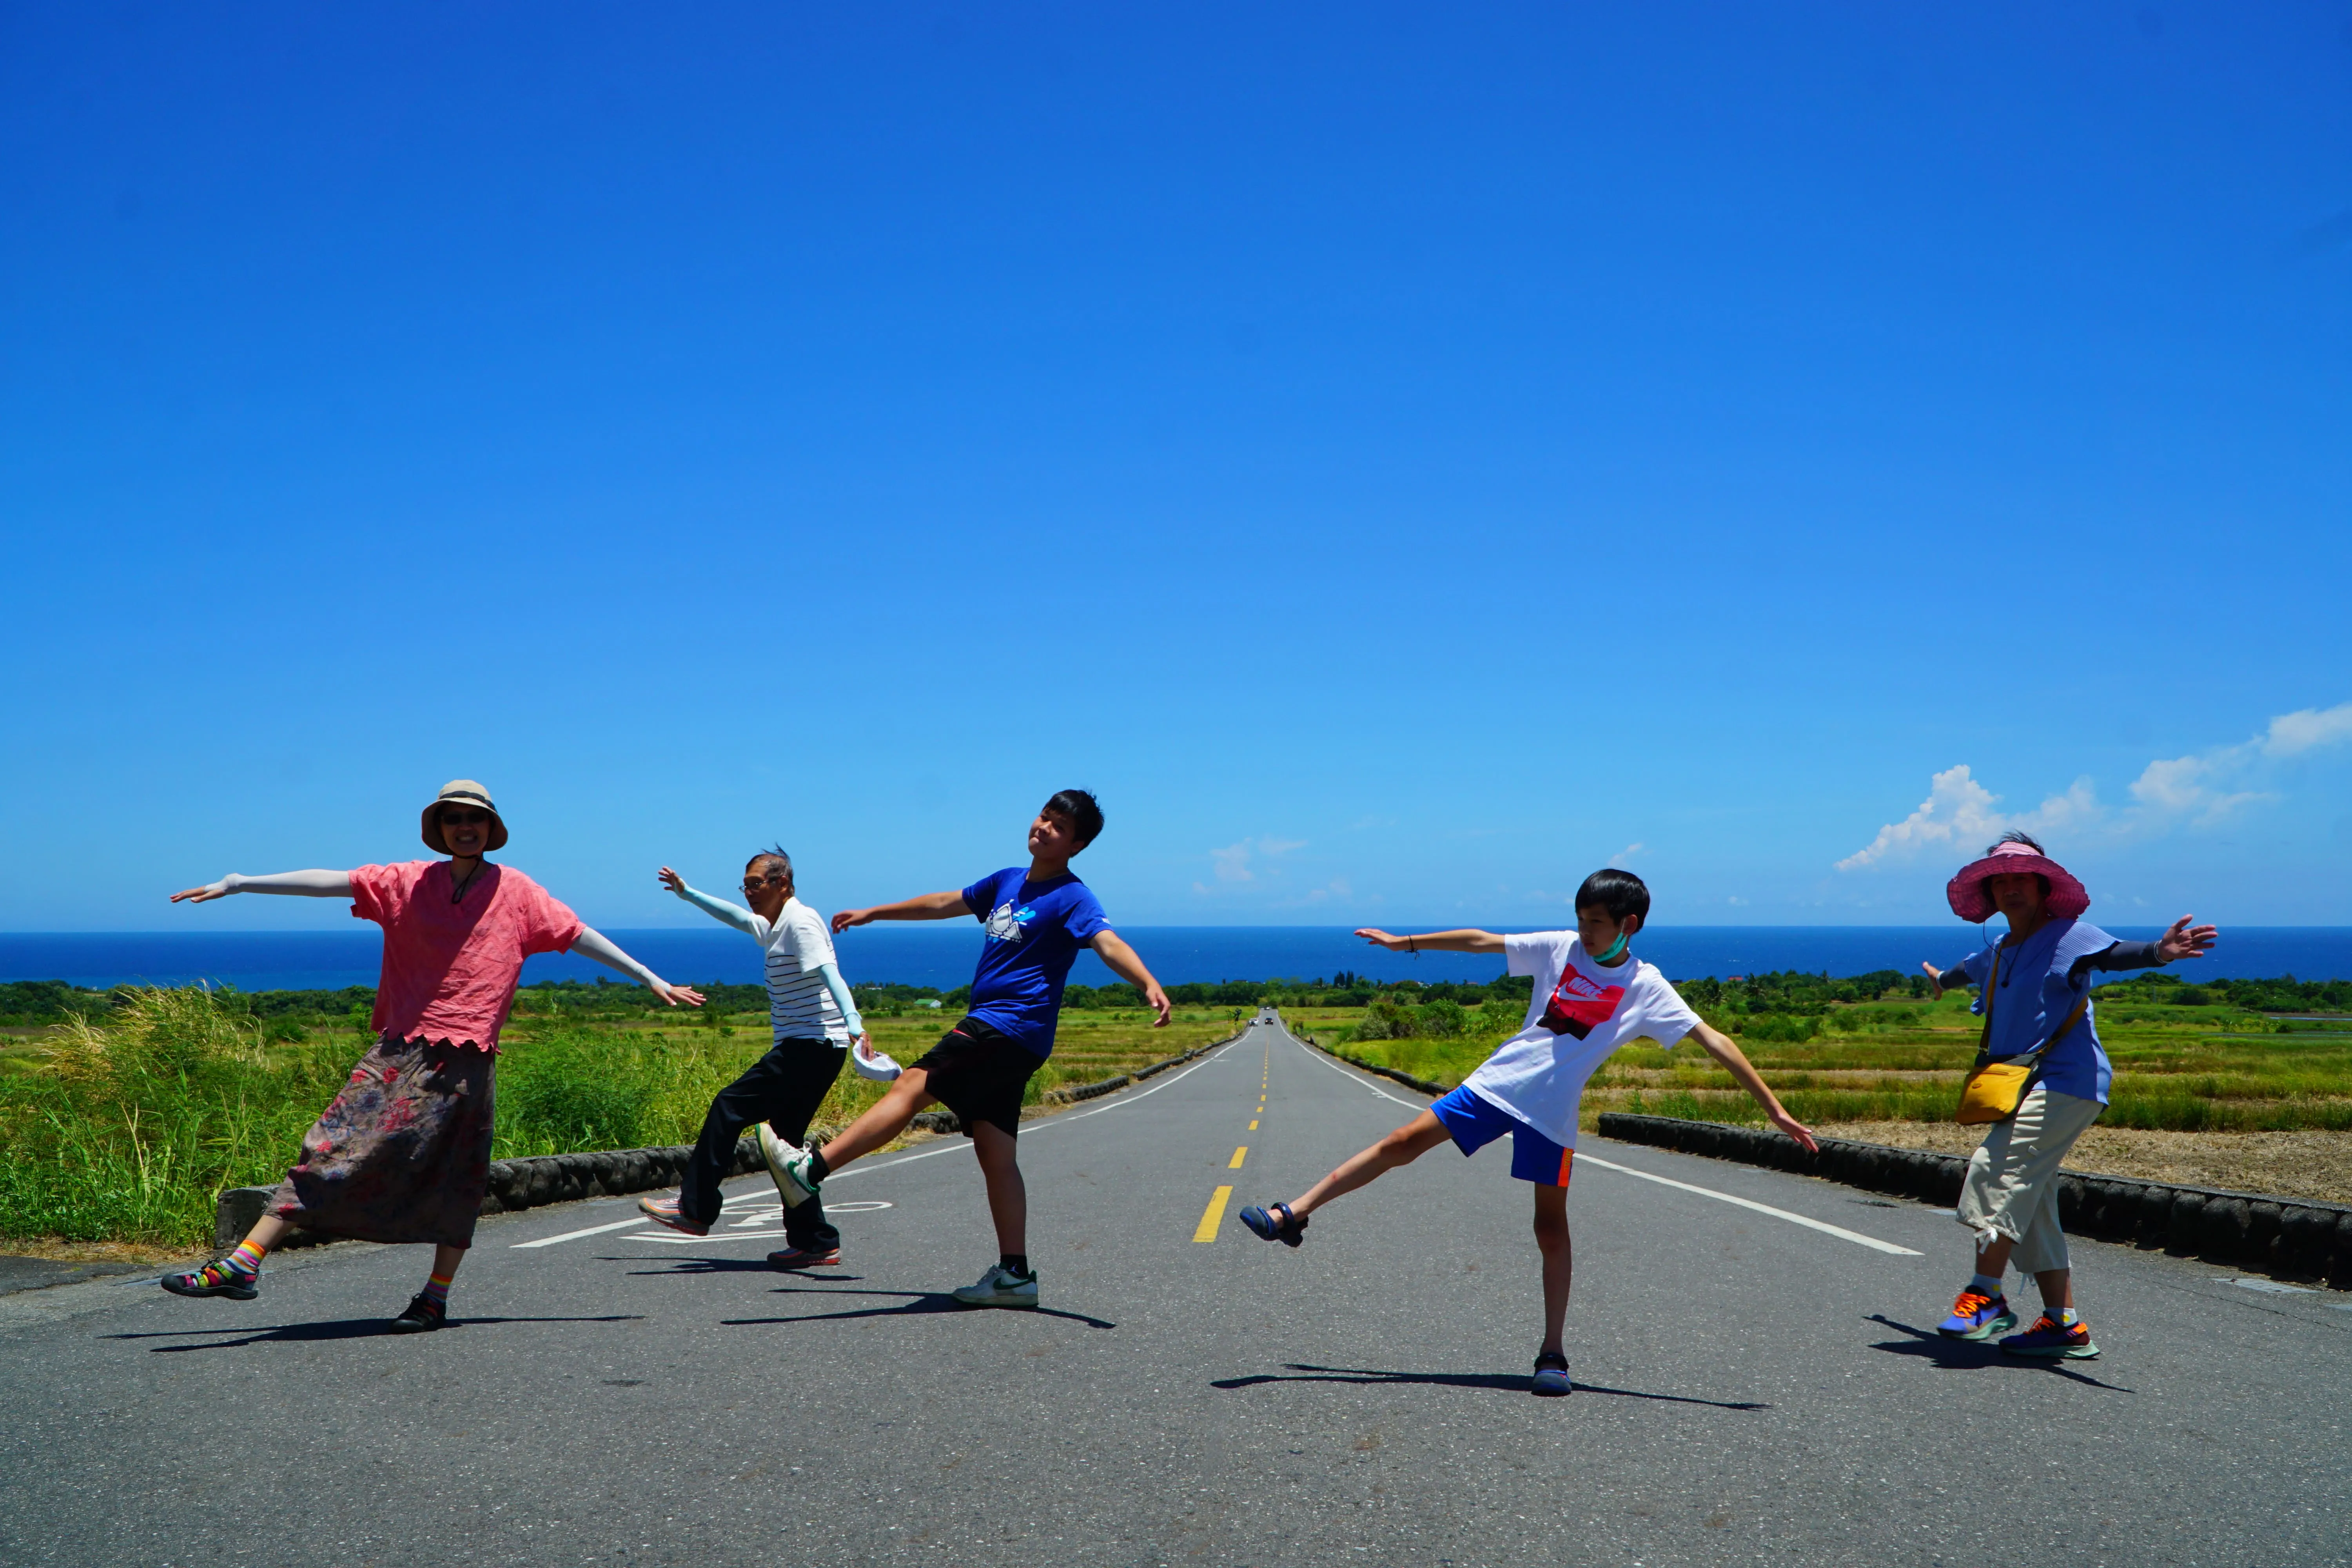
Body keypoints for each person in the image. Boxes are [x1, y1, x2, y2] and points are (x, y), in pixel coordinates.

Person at [1235, 868, 1819, 1397]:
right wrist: (1405, 943)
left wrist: (1772, 1110)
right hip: (1496, 1086)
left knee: (1549, 1226)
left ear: (1629, 925)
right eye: (1581, 920)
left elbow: (1714, 1040)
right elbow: (1482, 941)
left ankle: (1553, 1354)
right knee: (1399, 1145)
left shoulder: (1647, 987)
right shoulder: (1561, 949)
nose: (1585, 932)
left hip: (1552, 1115)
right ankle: (1296, 1212)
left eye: (1596, 923)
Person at [158, 780, 704, 1332]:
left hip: (468, 1060)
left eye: (476, 819)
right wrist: (239, 883)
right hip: (400, 1048)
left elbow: (577, 934)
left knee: (456, 1175)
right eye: (453, 820)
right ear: (440, 830)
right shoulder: (407, 882)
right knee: (331, 1144)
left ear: (492, 829)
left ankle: (434, 1298)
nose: (465, 828)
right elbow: (331, 881)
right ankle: (244, 1263)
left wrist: (649, 978)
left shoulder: (517, 891)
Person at [766, 789, 1172, 1310]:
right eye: (1045, 816)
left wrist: (1146, 982)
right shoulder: (1008, 881)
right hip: (1012, 1037)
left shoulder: (1073, 897)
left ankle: (811, 1172)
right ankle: (1015, 1275)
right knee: (995, 1152)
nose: (1045, 828)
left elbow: (1106, 941)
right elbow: (945, 902)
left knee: (915, 1083)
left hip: (1005, 1026)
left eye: (1060, 827)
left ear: (1078, 845)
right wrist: (875, 912)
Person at [1923, 831, 2216, 1359]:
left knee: (2001, 1173)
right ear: (1991, 893)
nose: (2011, 888)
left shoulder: (2069, 937)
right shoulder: (2000, 950)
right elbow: (1967, 969)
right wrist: (1941, 980)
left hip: (2067, 1080)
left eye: (2021, 878)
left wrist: (2159, 951)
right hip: (2023, 1086)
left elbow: (2113, 954)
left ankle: (1985, 1295)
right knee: (2032, 1202)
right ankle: (2064, 1323)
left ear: (2041, 885)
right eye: (2001, 881)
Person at [635, 848, 903, 1268]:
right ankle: (815, 1240)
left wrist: (856, 1023)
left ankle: (696, 1208)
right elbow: (739, 919)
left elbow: (831, 973)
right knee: (784, 1144)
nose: (749, 893)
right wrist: (688, 894)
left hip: (811, 1046)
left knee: (729, 1105)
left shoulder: (800, 921)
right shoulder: (776, 924)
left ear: (784, 884)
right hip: (810, 1047)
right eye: (746, 885)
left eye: (757, 884)